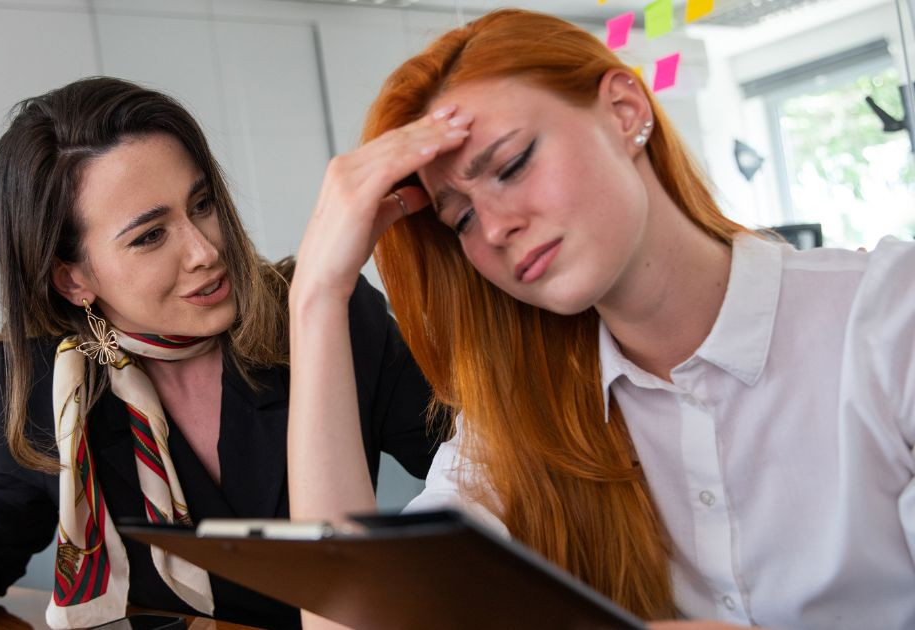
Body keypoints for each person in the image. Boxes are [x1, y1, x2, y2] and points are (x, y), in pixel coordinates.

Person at [288, 8, 915, 630]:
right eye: (463, 220)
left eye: (511, 165)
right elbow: (350, 624)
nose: (498, 227)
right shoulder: (518, 413)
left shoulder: (889, 315)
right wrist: (317, 295)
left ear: (625, 112)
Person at [0, 77, 444, 630]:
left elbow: (474, 471)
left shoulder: (329, 314)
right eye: (150, 237)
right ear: (74, 278)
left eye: (202, 204)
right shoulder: (47, 373)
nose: (206, 249)